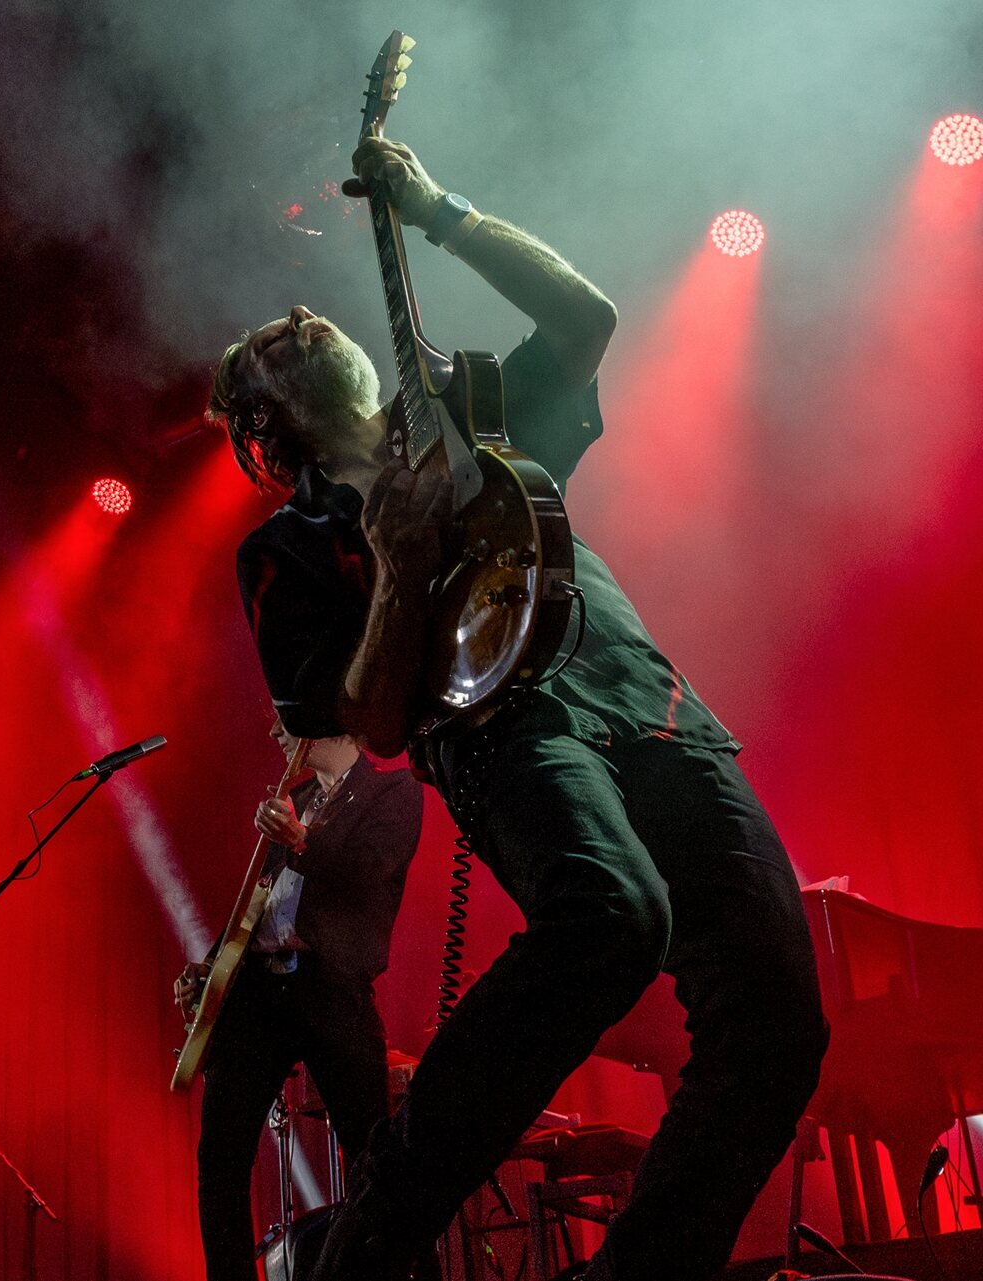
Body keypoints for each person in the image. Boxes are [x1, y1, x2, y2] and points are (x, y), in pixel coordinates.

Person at [206, 134, 828, 1281]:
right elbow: (368, 724)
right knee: (611, 913)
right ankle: (368, 1245)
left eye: (309, 325)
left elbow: (585, 318)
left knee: (779, 1022)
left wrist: (437, 210)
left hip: (651, 703)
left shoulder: (464, 411)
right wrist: (398, 570)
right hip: (503, 733)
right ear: (262, 430)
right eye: (272, 352)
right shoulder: (286, 552)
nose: (302, 329)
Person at [176, 718, 423, 1281]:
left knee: (370, 1155)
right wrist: (210, 969)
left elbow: (369, 874)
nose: (272, 731)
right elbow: (259, 900)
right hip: (258, 992)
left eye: (284, 718)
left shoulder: (393, 792)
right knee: (220, 1162)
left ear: (328, 724)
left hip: (331, 988)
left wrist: (300, 840)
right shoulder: (300, 798)